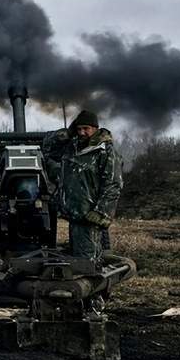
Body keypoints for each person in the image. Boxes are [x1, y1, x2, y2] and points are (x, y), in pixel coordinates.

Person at [42, 110, 123, 260]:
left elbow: (113, 185)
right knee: (79, 259)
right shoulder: (72, 148)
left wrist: (100, 213)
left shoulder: (105, 152)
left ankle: (90, 281)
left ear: (95, 128)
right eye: (79, 129)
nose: (82, 132)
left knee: (86, 262)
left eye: (86, 128)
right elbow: (47, 148)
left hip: (89, 215)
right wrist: (66, 133)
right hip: (74, 213)